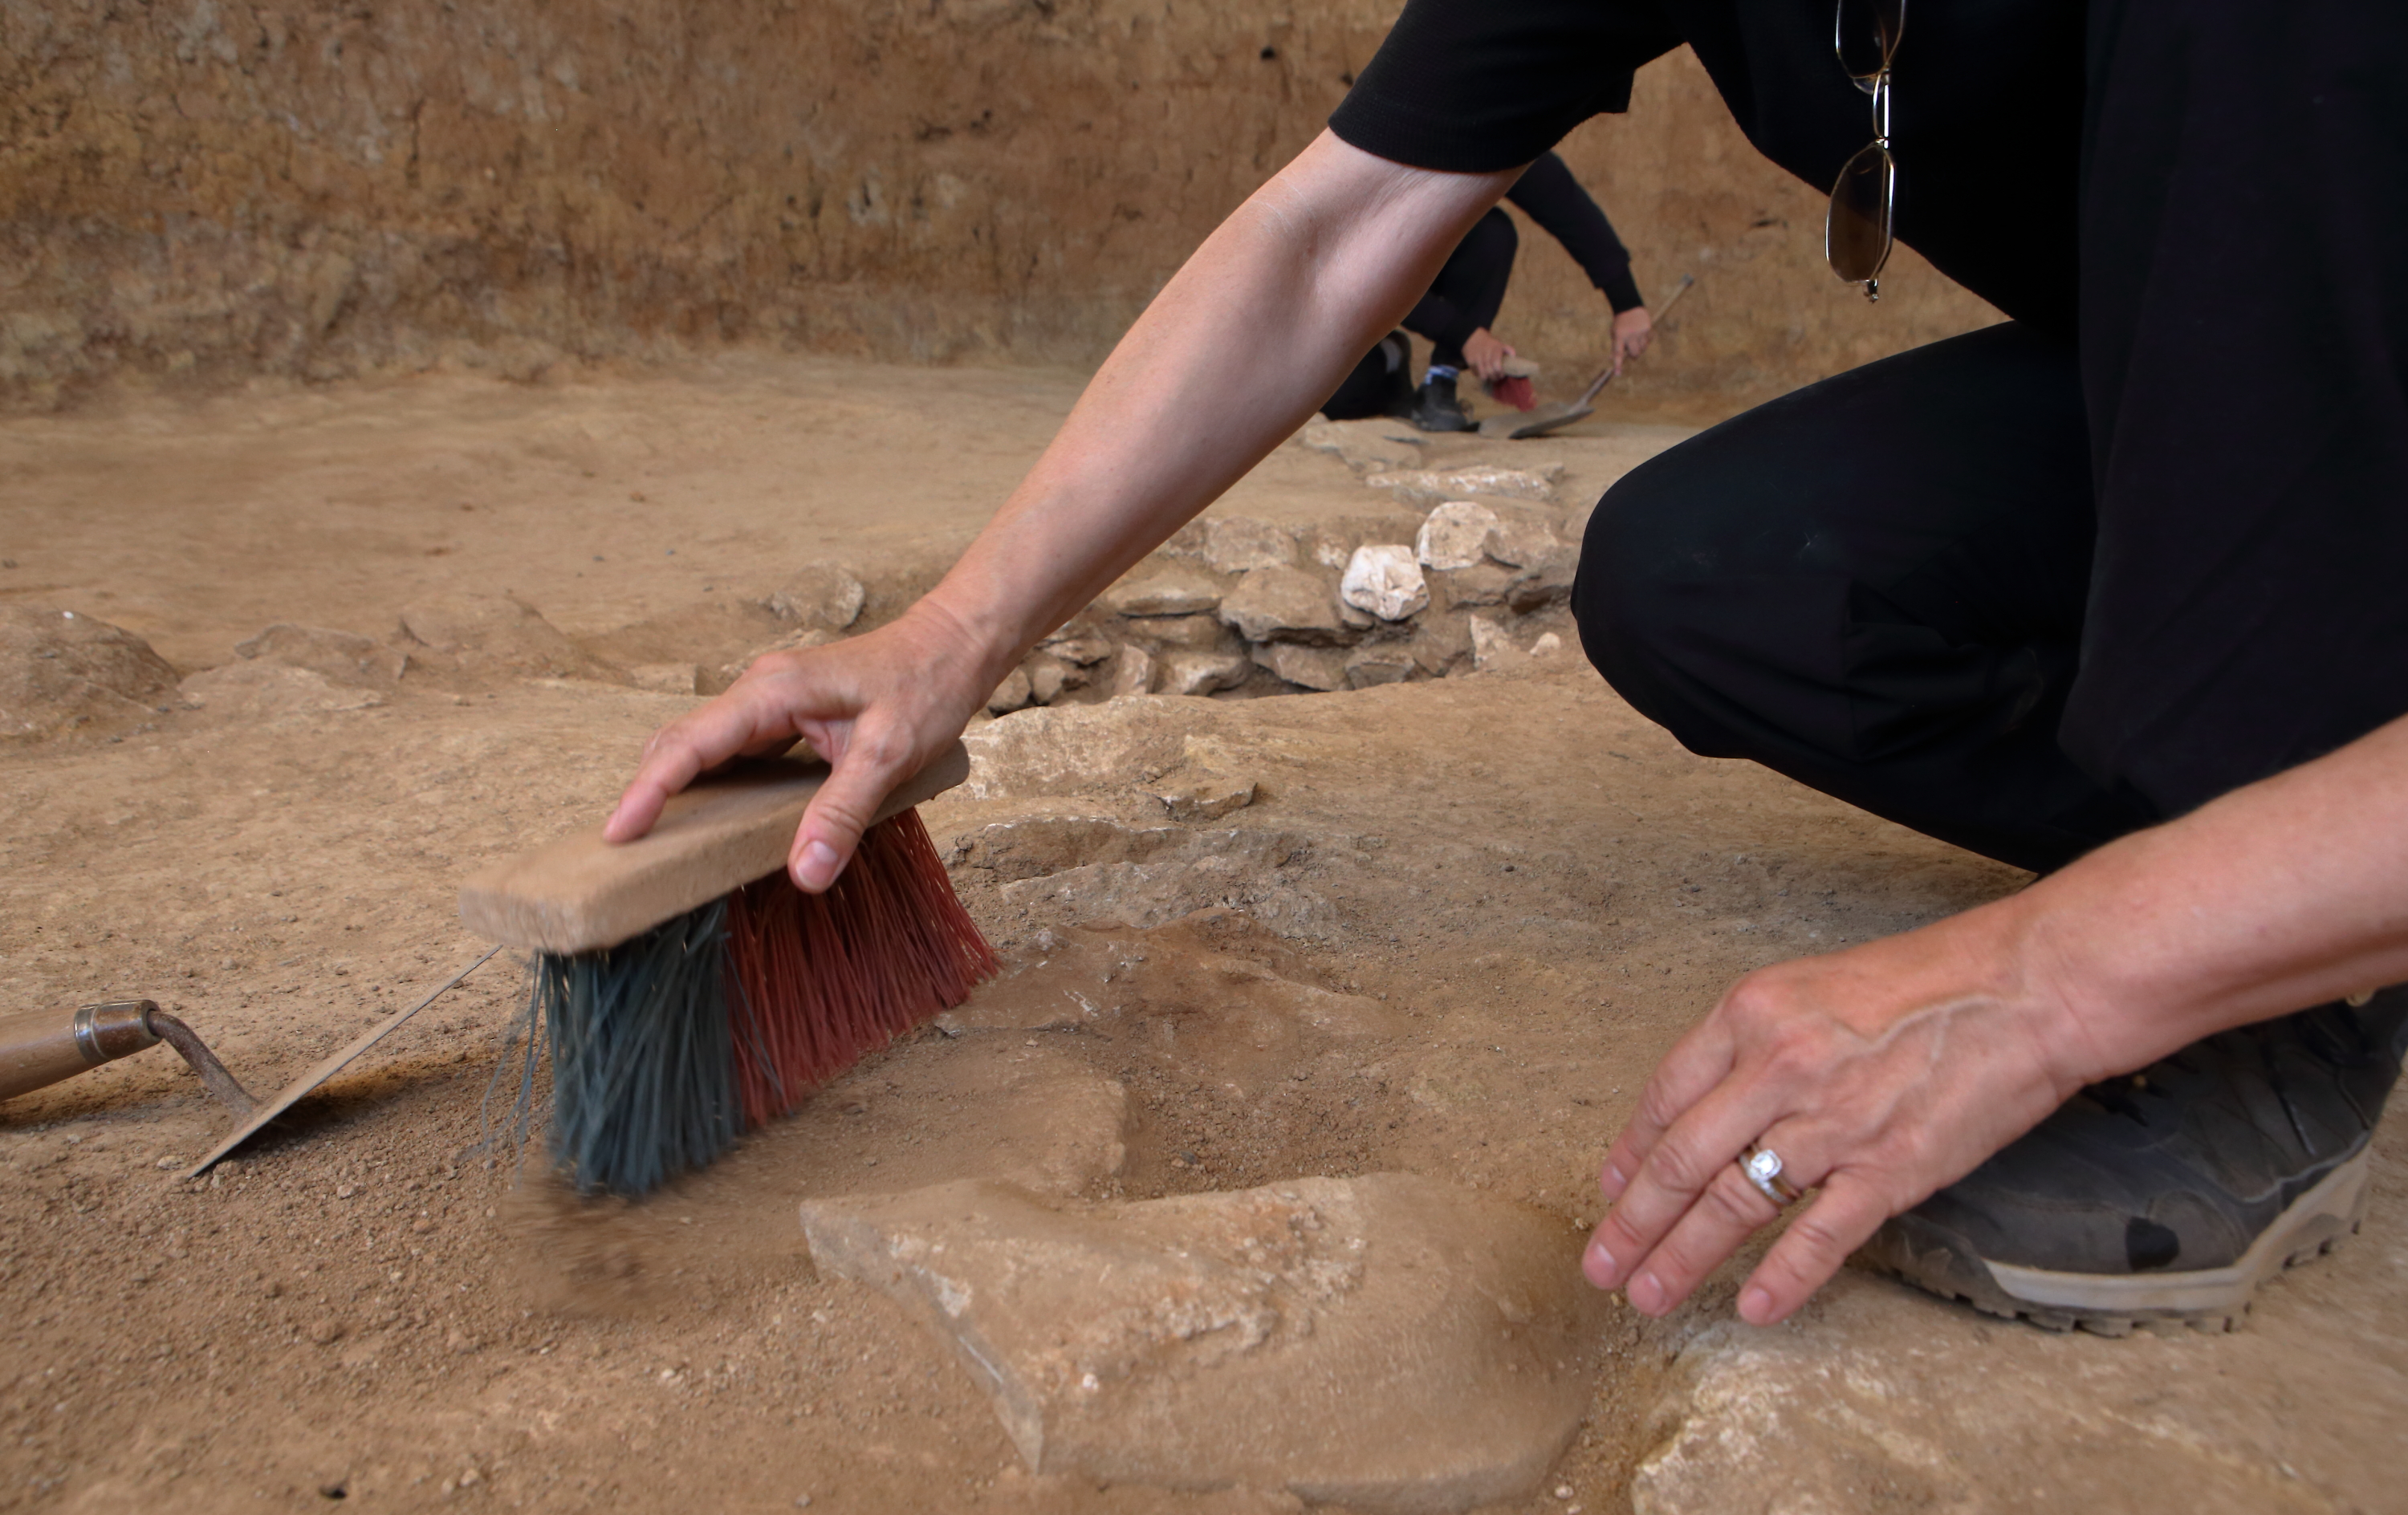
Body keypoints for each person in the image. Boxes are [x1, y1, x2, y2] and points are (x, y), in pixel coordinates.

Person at [607, 1, 2408, 1335]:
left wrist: (2061, 973)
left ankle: (2279, 980)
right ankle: (2301, 845)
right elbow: (1327, 233)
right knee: (1714, 581)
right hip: (2228, 402)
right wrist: (949, 632)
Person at [1321, 150, 1655, 432]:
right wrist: (1465, 335)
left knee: (1491, 233)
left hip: (1418, 258)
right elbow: (1367, 275)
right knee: (1338, 400)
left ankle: (1440, 380)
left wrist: (1626, 303)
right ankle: (1385, 354)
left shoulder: (1489, 124)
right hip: (1343, 288)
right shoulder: (1392, 139)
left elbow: (1560, 200)